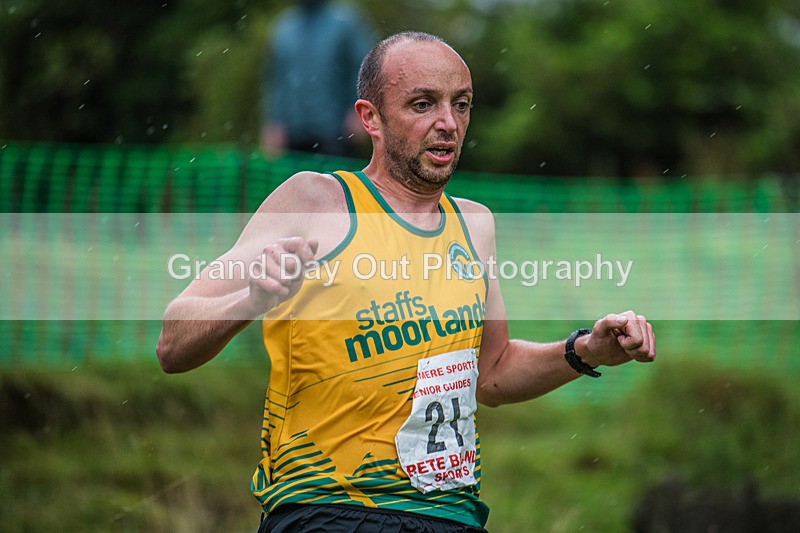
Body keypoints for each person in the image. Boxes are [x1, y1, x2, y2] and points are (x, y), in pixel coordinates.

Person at [157, 32, 656, 532]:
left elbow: (493, 373)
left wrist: (587, 349)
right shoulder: (317, 201)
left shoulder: (475, 225)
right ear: (370, 118)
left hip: (452, 515)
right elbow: (173, 342)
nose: (447, 123)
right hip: (329, 511)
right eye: (422, 104)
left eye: (461, 105)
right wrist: (253, 297)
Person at [260, 0, 373, 157]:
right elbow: (276, 81)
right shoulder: (283, 28)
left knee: (336, 180)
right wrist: (273, 123)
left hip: (336, 133)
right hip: (294, 135)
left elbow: (361, 66)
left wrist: (358, 111)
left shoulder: (345, 21)